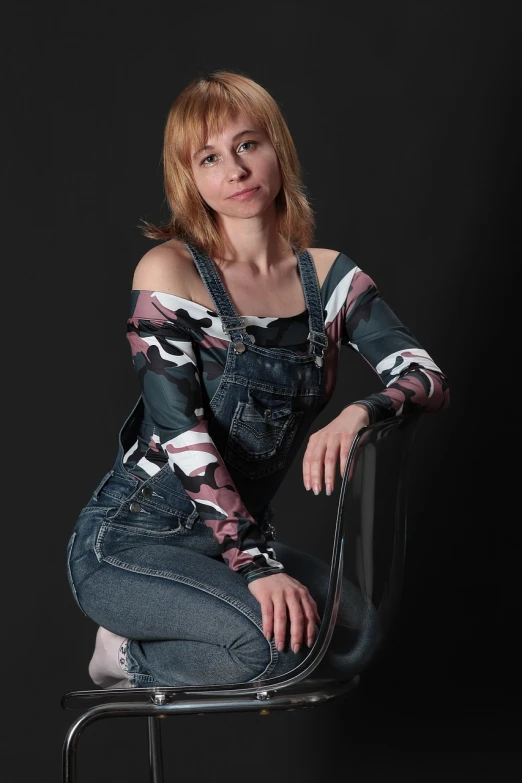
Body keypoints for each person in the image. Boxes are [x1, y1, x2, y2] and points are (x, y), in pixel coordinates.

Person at [66, 70, 450, 690]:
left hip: (228, 545)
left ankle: (198, 618)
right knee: (278, 655)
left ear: (277, 149)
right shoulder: (169, 270)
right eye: (210, 158)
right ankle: (124, 655)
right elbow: (179, 430)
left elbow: (424, 376)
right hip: (131, 542)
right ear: (189, 178)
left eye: (248, 145)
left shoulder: (329, 279)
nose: (236, 171)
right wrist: (256, 563)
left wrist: (360, 412)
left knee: (354, 638)